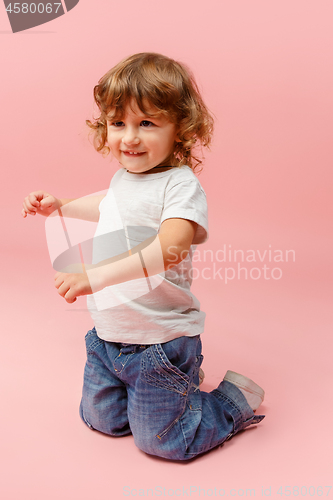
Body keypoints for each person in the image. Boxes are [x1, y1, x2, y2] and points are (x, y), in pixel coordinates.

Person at [21, 52, 265, 460]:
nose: (129, 138)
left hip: (159, 342)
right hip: (107, 339)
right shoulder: (125, 177)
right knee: (101, 421)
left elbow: (168, 250)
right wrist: (61, 205)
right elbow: (109, 206)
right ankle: (178, 390)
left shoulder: (180, 186)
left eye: (146, 123)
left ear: (180, 130)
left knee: (165, 442)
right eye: (118, 123)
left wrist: (95, 276)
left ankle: (231, 400)